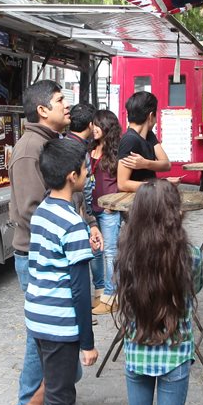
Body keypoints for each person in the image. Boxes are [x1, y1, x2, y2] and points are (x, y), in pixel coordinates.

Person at [8, 82, 102, 405]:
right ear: (42, 110)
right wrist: (72, 235)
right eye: (61, 100)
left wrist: (88, 225)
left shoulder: (53, 143)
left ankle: (50, 404)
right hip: (36, 255)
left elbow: (70, 200)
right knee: (41, 338)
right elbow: (33, 211)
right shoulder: (29, 149)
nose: (68, 106)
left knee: (52, 338)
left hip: (57, 250)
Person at [114, 179, 202, 405]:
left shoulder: (126, 252)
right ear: (174, 214)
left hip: (136, 352)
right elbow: (195, 289)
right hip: (174, 354)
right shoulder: (189, 255)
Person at [25, 138, 100, 405]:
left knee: (56, 393)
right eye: (85, 168)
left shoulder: (43, 210)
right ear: (73, 176)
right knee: (60, 399)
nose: (88, 173)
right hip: (60, 325)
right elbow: (81, 289)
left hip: (38, 318)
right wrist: (88, 342)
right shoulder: (72, 223)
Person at [68, 102, 105, 313]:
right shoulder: (80, 150)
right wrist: (89, 217)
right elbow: (86, 189)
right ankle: (83, 308)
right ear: (90, 125)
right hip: (78, 212)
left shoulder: (62, 143)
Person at [89, 109, 123, 316]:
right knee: (95, 252)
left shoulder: (116, 151)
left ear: (107, 127)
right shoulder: (90, 148)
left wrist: (114, 202)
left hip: (109, 209)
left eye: (98, 124)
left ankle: (112, 297)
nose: (94, 128)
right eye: (93, 124)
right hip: (92, 208)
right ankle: (100, 292)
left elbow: (123, 181)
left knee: (110, 253)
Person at [117, 90, 175, 195]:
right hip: (135, 201)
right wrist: (159, 185)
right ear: (150, 116)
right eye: (155, 116)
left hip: (149, 197)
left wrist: (145, 163)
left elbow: (166, 164)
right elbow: (122, 184)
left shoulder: (149, 135)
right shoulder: (129, 140)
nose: (156, 121)